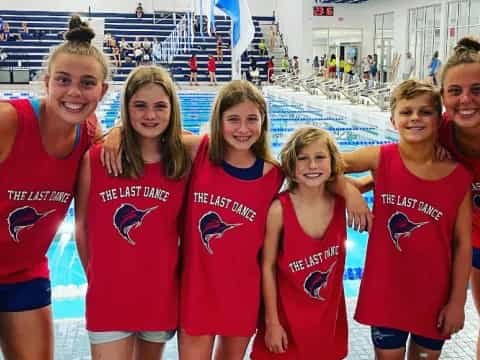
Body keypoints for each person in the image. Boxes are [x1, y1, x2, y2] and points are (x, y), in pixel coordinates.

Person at [0, 14, 108, 360]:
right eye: (63, 80)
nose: (74, 93)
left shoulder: (91, 135)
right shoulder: (9, 123)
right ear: (46, 82)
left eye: (87, 83)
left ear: (102, 91)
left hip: (24, 272)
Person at [343, 80, 472, 360]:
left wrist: (457, 301)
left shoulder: (458, 177)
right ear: (392, 120)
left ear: (440, 120)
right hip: (387, 292)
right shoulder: (381, 158)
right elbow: (316, 165)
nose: (415, 118)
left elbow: (463, 244)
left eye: (425, 112)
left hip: (435, 297)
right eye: (406, 112)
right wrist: (348, 191)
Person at [75, 65, 189, 360]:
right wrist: (98, 278)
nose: (150, 115)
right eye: (140, 106)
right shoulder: (98, 158)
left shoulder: (182, 162)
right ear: (126, 108)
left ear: (172, 110)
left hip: (160, 295)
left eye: (159, 106)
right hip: (109, 296)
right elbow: (82, 226)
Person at [178, 80, 284, 360]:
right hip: (196, 291)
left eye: (252, 119)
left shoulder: (274, 175)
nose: (243, 129)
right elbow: (148, 132)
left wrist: (350, 188)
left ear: (263, 122)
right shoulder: (198, 152)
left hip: (242, 293)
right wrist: (116, 131)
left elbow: (323, 175)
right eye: (233, 119)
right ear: (219, 121)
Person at [250, 127, 348, 360]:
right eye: (302, 159)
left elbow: (383, 177)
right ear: (290, 168)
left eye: (320, 157)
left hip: (327, 323)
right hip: (285, 323)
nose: (312, 166)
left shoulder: (341, 201)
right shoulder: (279, 210)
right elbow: (267, 267)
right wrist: (272, 323)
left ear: (332, 163)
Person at [437, 36, 480, 359]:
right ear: (443, 96)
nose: (466, 100)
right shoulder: (437, 132)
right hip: (473, 245)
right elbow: (389, 165)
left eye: (477, 90)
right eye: (455, 91)